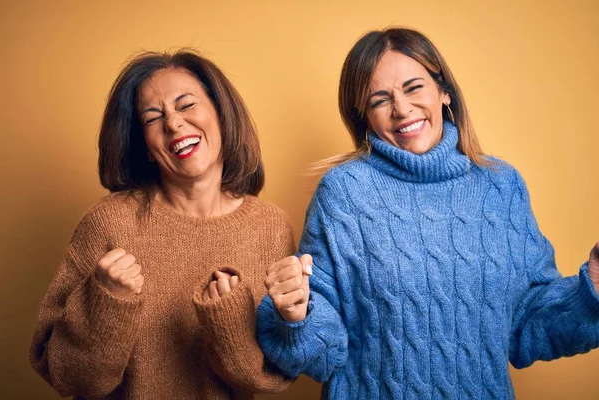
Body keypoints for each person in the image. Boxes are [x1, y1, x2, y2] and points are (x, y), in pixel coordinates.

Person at [256, 27, 599, 399]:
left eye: (414, 87)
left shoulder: (501, 187)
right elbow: (325, 353)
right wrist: (295, 315)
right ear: (365, 118)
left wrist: (592, 290)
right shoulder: (344, 194)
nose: (402, 109)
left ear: (444, 91)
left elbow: (527, 328)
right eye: (379, 99)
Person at [30, 50, 294, 399]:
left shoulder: (270, 227)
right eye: (153, 117)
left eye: (186, 105)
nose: (173, 123)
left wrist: (229, 321)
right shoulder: (108, 224)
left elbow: (270, 378)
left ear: (221, 114)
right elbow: (68, 378)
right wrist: (106, 302)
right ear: (146, 148)